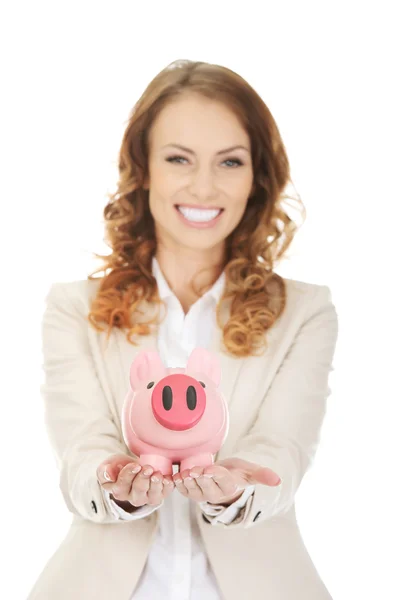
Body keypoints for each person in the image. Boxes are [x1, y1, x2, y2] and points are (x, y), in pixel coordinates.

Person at [28, 60, 339, 600]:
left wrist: (239, 489)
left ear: (256, 178)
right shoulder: (74, 308)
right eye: (178, 158)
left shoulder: (304, 312)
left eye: (229, 162)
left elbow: (282, 448)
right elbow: (81, 451)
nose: (203, 186)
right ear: (143, 168)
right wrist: (114, 482)